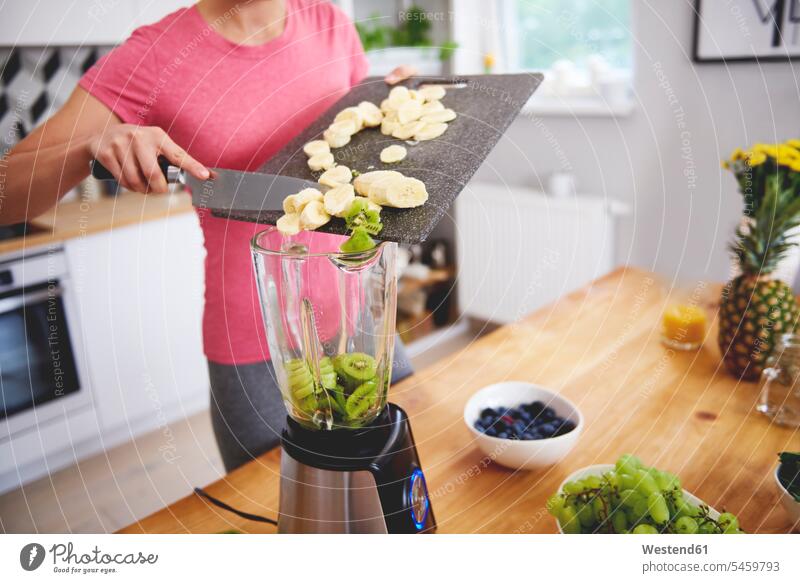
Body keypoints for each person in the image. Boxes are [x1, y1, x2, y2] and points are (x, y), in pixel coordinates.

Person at [2, 0, 416, 471]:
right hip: (255, 341)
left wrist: (397, 106)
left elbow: (354, 155)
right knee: (283, 521)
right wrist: (86, 146)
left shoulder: (328, 22)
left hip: (361, 313)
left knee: (393, 497)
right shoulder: (155, 53)